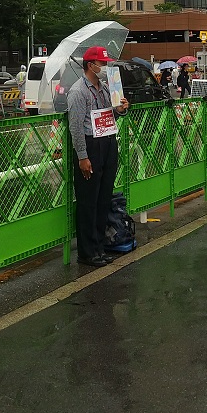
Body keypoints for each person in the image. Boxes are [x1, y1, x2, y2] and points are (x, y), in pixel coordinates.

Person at [67, 46, 129, 268]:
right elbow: (75, 127)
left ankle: (99, 247)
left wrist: (120, 110)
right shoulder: (78, 92)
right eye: (101, 64)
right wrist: (83, 156)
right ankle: (87, 251)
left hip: (108, 141)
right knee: (88, 201)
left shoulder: (104, 89)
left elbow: (109, 116)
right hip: (91, 145)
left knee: (103, 198)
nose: (104, 67)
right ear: (90, 65)